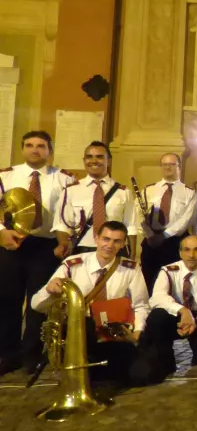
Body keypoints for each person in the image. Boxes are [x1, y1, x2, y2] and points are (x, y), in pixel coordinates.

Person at [31, 221, 153, 387]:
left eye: (116, 241)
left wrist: (137, 333)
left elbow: (141, 306)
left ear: (123, 244)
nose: (109, 245)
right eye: (106, 239)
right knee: (87, 329)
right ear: (96, 238)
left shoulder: (131, 269)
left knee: (141, 375)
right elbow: (35, 304)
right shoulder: (72, 265)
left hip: (112, 332)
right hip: (78, 334)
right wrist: (50, 290)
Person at [0, 130, 75, 376]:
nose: (35, 150)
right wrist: (2, 232)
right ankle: (7, 354)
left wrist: (63, 241)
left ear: (49, 150)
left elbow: (66, 214)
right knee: (8, 300)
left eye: (41, 146)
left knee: (37, 302)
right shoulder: (6, 176)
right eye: (30, 145)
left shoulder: (63, 179)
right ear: (22, 149)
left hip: (45, 245)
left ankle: (31, 355)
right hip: (12, 243)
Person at [143, 234, 197, 379]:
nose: (191, 255)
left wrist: (194, 321)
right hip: (175, 316)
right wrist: (183, 311)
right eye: (186, 250)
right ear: (180, 252)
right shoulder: (168, 271)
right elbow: (157, 298)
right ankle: (165, 362)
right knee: (156, 318)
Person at [55, 141, 139, 259]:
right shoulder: (70, 191)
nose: (94, 161)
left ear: (109, 161)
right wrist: (63, 244)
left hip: (115, 251)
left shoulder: (123, 192)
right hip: (82, 251)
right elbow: (62, 225)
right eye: (89, 157)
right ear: (84, 160)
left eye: (99, 157)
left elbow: (131, 226)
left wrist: (132, 254)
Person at [140, 153, 197, 292]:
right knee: (149, 280)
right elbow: (139, 214)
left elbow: (187, 219)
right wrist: (149, 235)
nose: (167, 167)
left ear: (179, 166)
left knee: (173, 282)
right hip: (151, 241)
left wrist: (164, 235)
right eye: (164, 164)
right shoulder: (148, 190)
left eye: (171, 164)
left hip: (175, 243)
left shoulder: (189, 192)